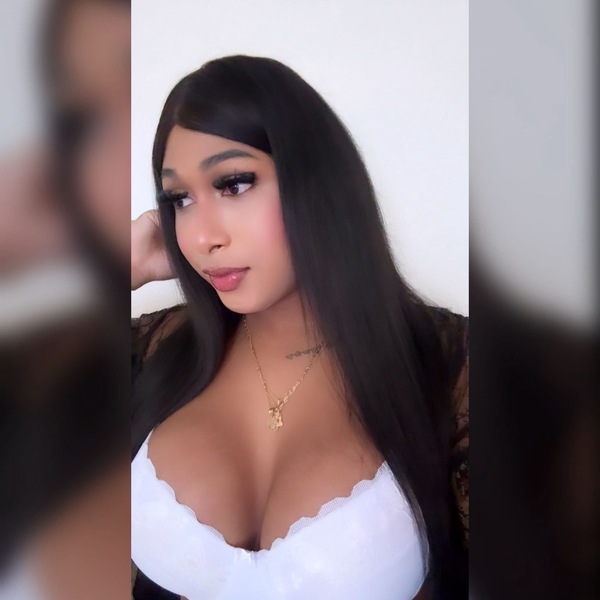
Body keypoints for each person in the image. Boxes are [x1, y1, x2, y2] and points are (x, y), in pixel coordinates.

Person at [131, 55, 468, 600]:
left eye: (234, 184)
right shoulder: (153, 349)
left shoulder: (457, 370)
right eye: (180, 200)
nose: (201, 236)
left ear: (319, 185)